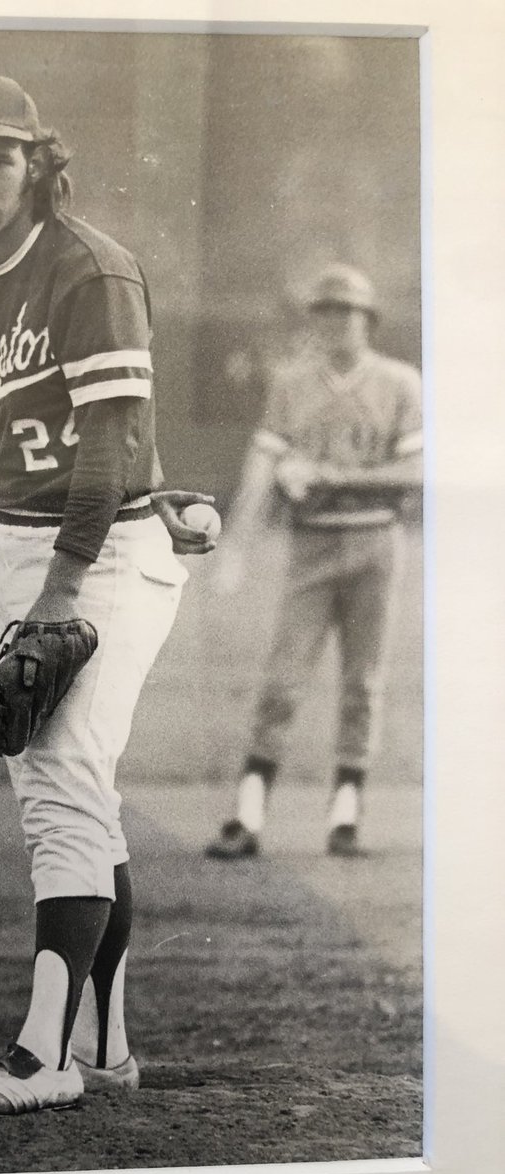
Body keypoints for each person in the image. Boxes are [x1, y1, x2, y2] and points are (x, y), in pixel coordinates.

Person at [0, 73, 215, 1117]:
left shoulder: (90, 268)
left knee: (59, 788)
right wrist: (152, 483)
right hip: (25, 544)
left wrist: (65, 589)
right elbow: (85, 418)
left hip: (105, 554)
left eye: (2, 157)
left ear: (37, 165)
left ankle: (42, 1057)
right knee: (72, 792)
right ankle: (109, 1046)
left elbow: (109, 442)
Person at [205, 264, 422, 860]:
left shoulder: (399, 382)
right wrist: (237, 548)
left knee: (363, 683)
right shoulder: (292, 383)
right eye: (324, 310)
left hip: (377, 545)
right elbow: (259, 472)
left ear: (367, 319)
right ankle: (247, 816)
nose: (335, 321)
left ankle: (346, 817)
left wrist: (329, 474)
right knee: (283, 680)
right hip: (313, 546)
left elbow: (417, 471)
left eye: (346, 310)